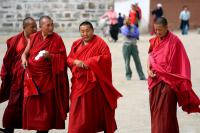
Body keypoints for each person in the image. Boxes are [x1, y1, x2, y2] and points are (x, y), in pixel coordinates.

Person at [67, 21, 122, 133]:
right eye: (82, 31)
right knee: (76, 113)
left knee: (90, 114)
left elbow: (106, 59)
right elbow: (68, 59)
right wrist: (76, 61)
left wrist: (90, 62)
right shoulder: (76, 44)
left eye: (87, 31)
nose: (85, 34)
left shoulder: (100, 44)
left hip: (93, 85)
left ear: (92, 31)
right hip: (79, 84)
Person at [148, 17, 200, 133]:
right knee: (155, 112)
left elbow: (182, 63)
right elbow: (150, 56)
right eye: (155, 30)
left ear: (167, 27)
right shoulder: (155, 40)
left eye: (160, 30)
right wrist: (148, 69)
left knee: (167, 114)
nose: (157, 32)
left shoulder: (175, 41)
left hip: (169, 84)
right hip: (154, 83)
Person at [21, 16, 69, 133]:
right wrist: (24, 59)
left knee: (46, 109)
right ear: (40, 26)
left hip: (48, 79)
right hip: (34, 79)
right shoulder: (33, 37)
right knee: (34, 107)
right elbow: (25, 53)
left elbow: (63, 59)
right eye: (48, 25)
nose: (51, 27)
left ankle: (43, 130)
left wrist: (51, 56)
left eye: (52, 24)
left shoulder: (57, 39)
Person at [0, 17, 37, 133]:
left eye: (36, 26)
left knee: (35, 105)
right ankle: (9, 129)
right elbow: (8, 60)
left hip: (33, 78)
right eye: (32, 27)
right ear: (24, 27)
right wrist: (6, 75)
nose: (35, 29)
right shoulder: (14, 41)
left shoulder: (39, 39)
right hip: (17, 78)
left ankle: (40, 128)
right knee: (13, 104)